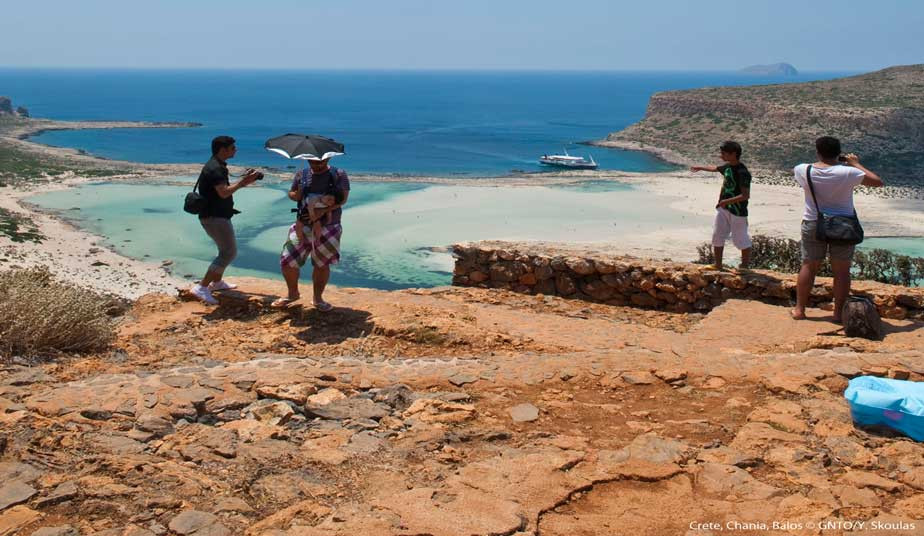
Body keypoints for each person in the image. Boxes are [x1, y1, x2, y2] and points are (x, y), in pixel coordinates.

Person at [791, 136, 883, 322]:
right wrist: (856, 163)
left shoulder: (802, 169)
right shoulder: (848, 173)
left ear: (817, 151)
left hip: (813, 222)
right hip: (844, 224)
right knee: (841, 271)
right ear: (839, 152)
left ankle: (800, 310)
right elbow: (877, 182)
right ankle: (838, 313)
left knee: (809, 265)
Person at [189, 136, 261, 305]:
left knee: (224, 250)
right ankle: (202, 287)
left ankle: (217, 282)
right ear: (223, 150)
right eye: (232, 148)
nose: (235, 150)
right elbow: (223, 192)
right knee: (229, 252)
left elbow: (220, 190)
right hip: (215, 217)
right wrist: (244, 182)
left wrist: (243, 180)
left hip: (215, 215)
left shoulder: (216, 164)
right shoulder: (215, 169)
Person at [274, 158, 350, 311]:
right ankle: (292, 293)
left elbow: (343, 199)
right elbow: (292, 194)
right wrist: (296, 194)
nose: (316, 165)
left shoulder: (338, 174)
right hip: (302, 223)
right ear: (308, 160)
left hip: (329, 226)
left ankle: (318, 298)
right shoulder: (302, 174)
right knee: (288, 259)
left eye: (320, 162)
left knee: (322, 264)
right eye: (313, 162)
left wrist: (323, 211)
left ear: (327, 158)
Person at [690, 141, 752, 270]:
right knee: (717, 235)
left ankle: (745, 267)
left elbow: (745, 195)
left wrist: (725, 202)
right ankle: (718, 265)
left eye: (723, 153)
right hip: (724, 209)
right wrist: (700, 167)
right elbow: (715, 168)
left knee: (740, 239)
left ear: (733, 154)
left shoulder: (742, 172)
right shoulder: (728, 167)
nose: (721, 156)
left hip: (738, 211)